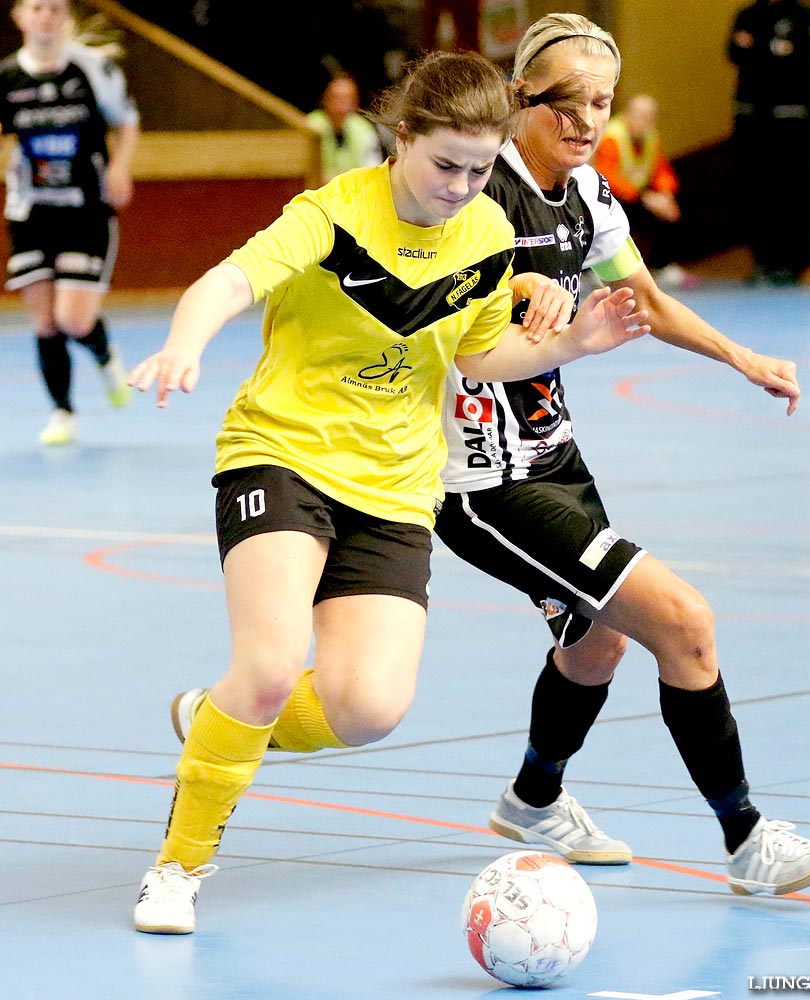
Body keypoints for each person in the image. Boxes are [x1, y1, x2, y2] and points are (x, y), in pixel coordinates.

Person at [127, 49, 648, 935]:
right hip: (284, 453)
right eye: (444, 163)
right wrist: (186, 340)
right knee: (264, 666)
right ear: (400, 138)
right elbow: (228, 281)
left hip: (398, 485)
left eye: (480, 169)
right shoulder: (332, 215)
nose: (460, 185)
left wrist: (575, 346)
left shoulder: (484, 232)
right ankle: (177, 867)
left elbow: (479, 355)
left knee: (367, 708)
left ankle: (216, 722)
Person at [431, 12, 810, 896]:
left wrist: (742, 357)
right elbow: (436, 285)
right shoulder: (471, 190)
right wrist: (519, 290)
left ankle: (533, 799)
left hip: (554, 460)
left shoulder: (587, 196)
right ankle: (747, 840)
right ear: (518, 99)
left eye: (601, 104)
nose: (585, 122)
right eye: (565, 104)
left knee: (596, 646)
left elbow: (645, 300)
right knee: (682, 623)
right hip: (483, 482)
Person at [1, 0, 138, 445]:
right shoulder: (7, 77)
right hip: (31, 211)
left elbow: (127, 122)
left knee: (73, 320)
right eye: (37, 8)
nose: (46, 16)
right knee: (44, 321)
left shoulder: (93, 70)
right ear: (20, 17)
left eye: (56, 9)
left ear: (67, 19)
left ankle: (103, 353)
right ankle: (63, 412)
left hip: (85, 209)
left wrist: (120, 167)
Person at [727, 0, 810, 286]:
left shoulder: (802, 17)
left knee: (789, 192)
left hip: (790, 123)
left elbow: (800, 61)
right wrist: (769, 52)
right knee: (755, 191)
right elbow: (733, 52)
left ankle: (789, 262)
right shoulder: (748, 14)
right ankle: (762, 260)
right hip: (752, 120)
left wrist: (759, 51)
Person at [593, 93, 687, 287]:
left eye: (649, 117)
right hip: (611, 198)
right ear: (627, 114)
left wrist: (665, 194)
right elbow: (607, 176)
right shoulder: (612, 136)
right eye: (639, 115)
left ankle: (662, 266)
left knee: (670, 209)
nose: (644, 121)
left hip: (640, 197)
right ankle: (596, 269)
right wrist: (645, 197)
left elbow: (661, 170)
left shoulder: (651, 138)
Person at [306, 73, 384, 184]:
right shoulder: (310, 126)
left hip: (354, 193)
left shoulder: (364, 129)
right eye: (336, 97)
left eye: (347, 99)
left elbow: (373, 170)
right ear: (325, 99)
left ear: (356, 103)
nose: (341, 104)